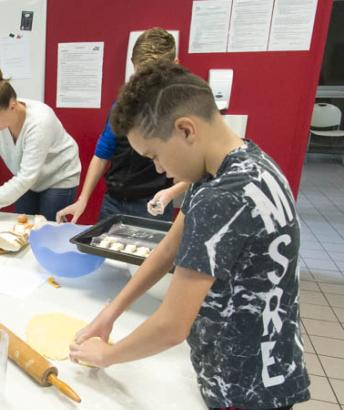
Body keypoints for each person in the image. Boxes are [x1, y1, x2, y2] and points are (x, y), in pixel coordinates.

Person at [69, 62, 309, 409]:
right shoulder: (242, 164)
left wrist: (107, 355)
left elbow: (171, 326)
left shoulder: (222, 197)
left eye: (154, 155)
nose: (159, 169)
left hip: (243, 389)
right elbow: (168, 249)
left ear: (185, 130)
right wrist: (110, 313)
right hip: (274, 367)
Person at [56, 27, 188, 224]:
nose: (147, 82)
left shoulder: (185, 112)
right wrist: (82, 199)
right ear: (133, 66)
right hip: (114, 201)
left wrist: (171, 192)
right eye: (141, 74)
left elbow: (199, 170)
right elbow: (102, 154)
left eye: (155, 75)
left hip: (152, 202)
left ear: (175, 65)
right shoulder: (123, 105)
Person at [0, 66, 81, 221]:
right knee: (22, 225)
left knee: (47, 229)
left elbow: (26, 177)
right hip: (25, 178)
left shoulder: (40, 121)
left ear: (12, 106)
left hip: (59, 177)